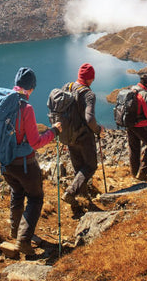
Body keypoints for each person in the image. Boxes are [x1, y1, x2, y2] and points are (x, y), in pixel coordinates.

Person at [3, 67, 61, 255]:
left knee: (17, 192)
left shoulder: (2, 102)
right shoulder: (25, 108)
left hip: (4, 163)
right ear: (31, 88)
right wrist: (54, 132)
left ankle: (15, 230)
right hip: (24, 164)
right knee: (36, 198)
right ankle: (24, 241)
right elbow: (35, 142)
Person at [61, 63, 104, 205]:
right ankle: (71, 192)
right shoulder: (88, 94)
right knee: (90, 166)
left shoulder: (67, 87)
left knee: (79, 168)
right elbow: (89, 119)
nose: (93, 81)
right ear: (89, 78)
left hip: (69, 136)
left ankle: (82, 196)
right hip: (84, 137)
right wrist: (98, 130)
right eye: (92, 78)